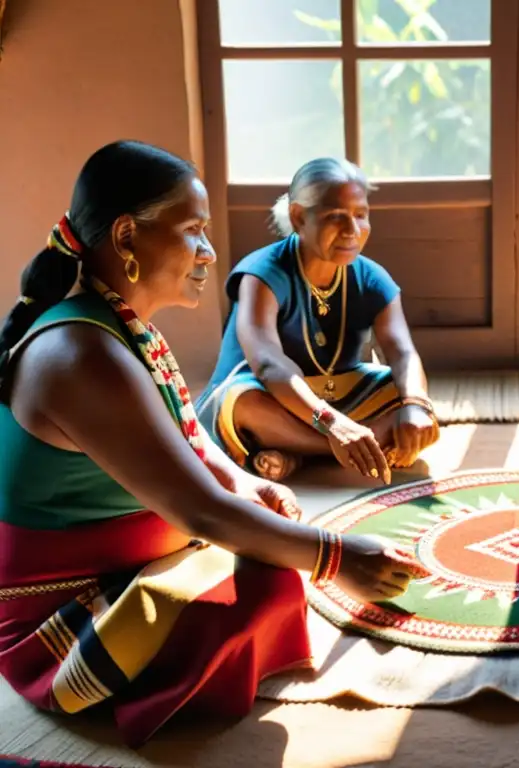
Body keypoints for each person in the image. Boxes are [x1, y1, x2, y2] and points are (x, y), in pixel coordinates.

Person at [0, 141, 426, 747]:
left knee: (266, 548)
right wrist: (336, 557)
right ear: (126, 237)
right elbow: (198, 510)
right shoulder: (81, 353)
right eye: (194, 231)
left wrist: (247, 482)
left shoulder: (120, 327)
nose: (209, 252)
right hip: (56, 622)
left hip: (136, 554)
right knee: (269, 577)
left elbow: (190, 434)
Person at [197, 158, 438, 483]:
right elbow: (268, 364)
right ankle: (342, 449)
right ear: (299, 217)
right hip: (269, 393)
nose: (352, 230)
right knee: (244, 404)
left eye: (361, 215)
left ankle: (299, 454)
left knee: (405, 395)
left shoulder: (371, 276)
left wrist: (415, 407)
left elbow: (402, 352)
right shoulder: (262, 273)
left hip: (336, 393)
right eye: (335, 217)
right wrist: (332, 423)